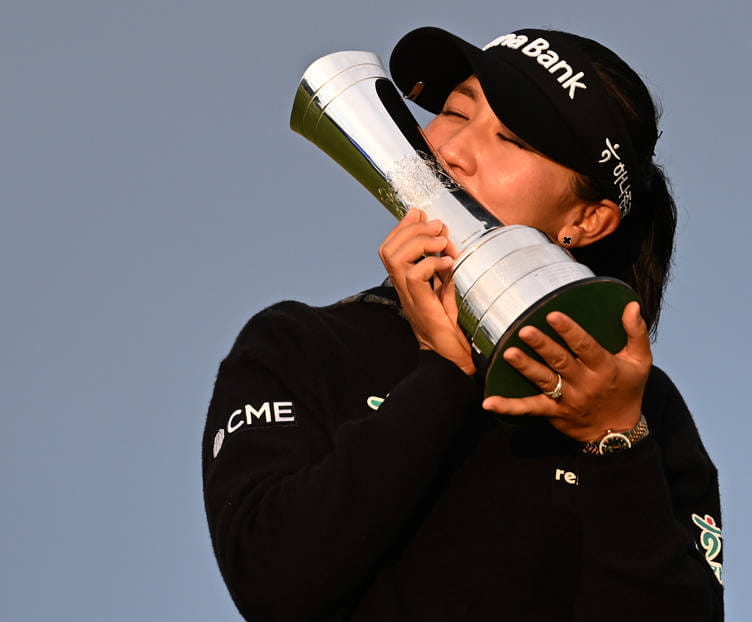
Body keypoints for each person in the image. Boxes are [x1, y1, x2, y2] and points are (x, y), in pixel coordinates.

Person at [202, 26, 723, 621]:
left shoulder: (637, 405)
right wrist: (443, 376)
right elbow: (273, 581)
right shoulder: (301, 345)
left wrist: (613, 445)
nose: (449, 151)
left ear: (589, 217)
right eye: (454, 112)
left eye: (511, 139)